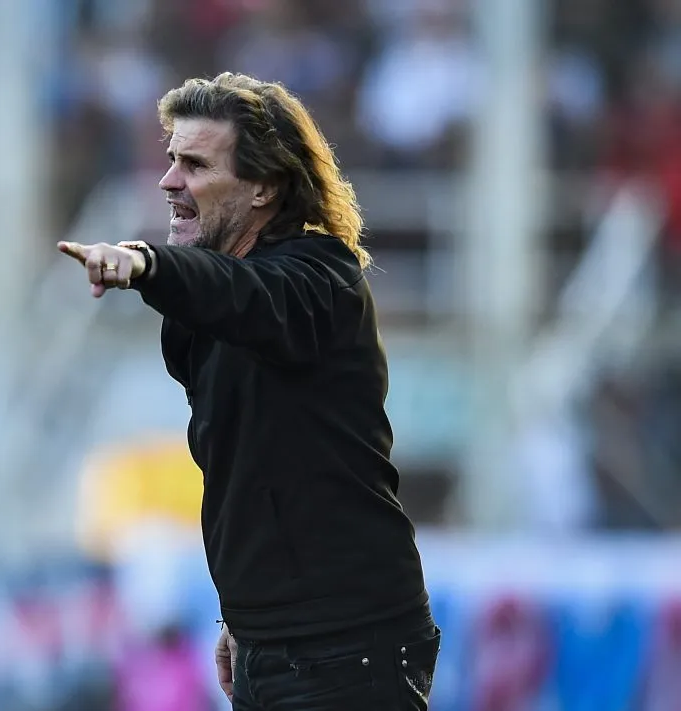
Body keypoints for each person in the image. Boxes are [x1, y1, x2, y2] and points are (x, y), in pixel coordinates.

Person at [58, 72, 440, 710]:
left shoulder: (323, 277)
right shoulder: (199, 316)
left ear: (265, 186)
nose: (168, 180)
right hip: (273, 638)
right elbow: (249, 474)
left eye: (196, 164)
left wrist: (148, 264)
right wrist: (244, 615)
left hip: (347, 643)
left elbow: (249, 298)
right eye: (171, 159)